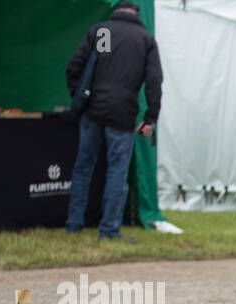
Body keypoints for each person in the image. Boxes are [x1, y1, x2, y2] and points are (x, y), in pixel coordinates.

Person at [64, 1, 162, 242]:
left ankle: (73, 225)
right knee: (116, 172)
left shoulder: (102, 32)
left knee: (83, 168)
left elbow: (73, 67)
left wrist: (80, 97)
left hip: (93, 110)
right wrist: (150, 118)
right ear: (136, 14)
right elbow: (154, 83)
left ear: (115, 11)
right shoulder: (144, 38)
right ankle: (108, 230)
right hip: (123, 114)